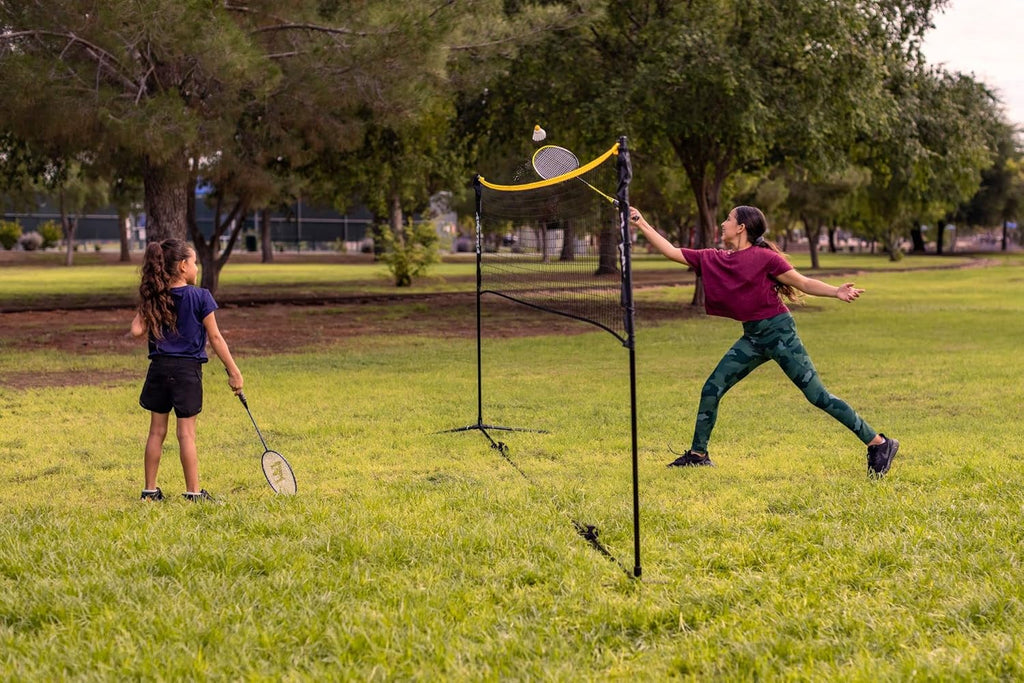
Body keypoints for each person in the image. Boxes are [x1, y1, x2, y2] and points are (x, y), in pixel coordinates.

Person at [629, 205, 898, 476]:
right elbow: (672, 252)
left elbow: (802, 282)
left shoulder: (766, 258)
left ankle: (879, 443)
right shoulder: (716, 258)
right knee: (712, 387)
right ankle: (698, 454)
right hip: (753, 338)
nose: (723, 223)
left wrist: (835, 291)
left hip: (780, 334)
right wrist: (641, 222)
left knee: (817, 396)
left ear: (741, 227)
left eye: (728, 219)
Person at [130, 239, 243, 501]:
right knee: (186, 434)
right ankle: (193, 493)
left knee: (156, 432)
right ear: (183, 266)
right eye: (194, 263)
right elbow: (215, 338)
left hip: (159, 369)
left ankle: (149, 491)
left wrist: (146, 302)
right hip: (187, 372)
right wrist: (234, 372)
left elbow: (136, 330)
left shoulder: (156, 298)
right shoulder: (201, 297)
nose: (196, 268)